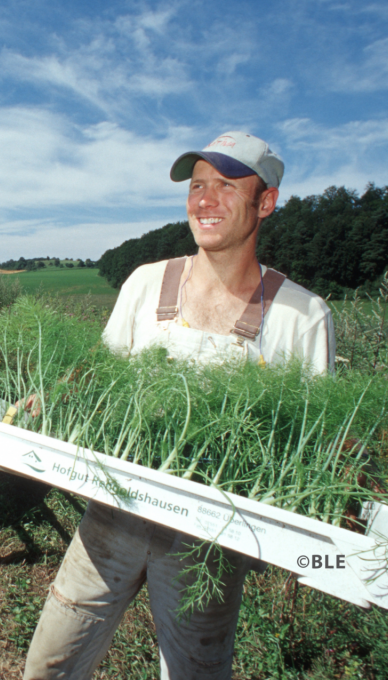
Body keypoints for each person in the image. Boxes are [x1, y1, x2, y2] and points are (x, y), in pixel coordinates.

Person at [22, 131, 335, 679]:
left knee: (195, 671)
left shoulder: (300, 316)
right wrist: (51, 398)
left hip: (208, 547)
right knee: (50, 662)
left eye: (225, 186)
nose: (204, 200)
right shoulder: (147, 283)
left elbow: (316, 449)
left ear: (266, 202)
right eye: (196, 186)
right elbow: (97, 376)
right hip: (111, 515)